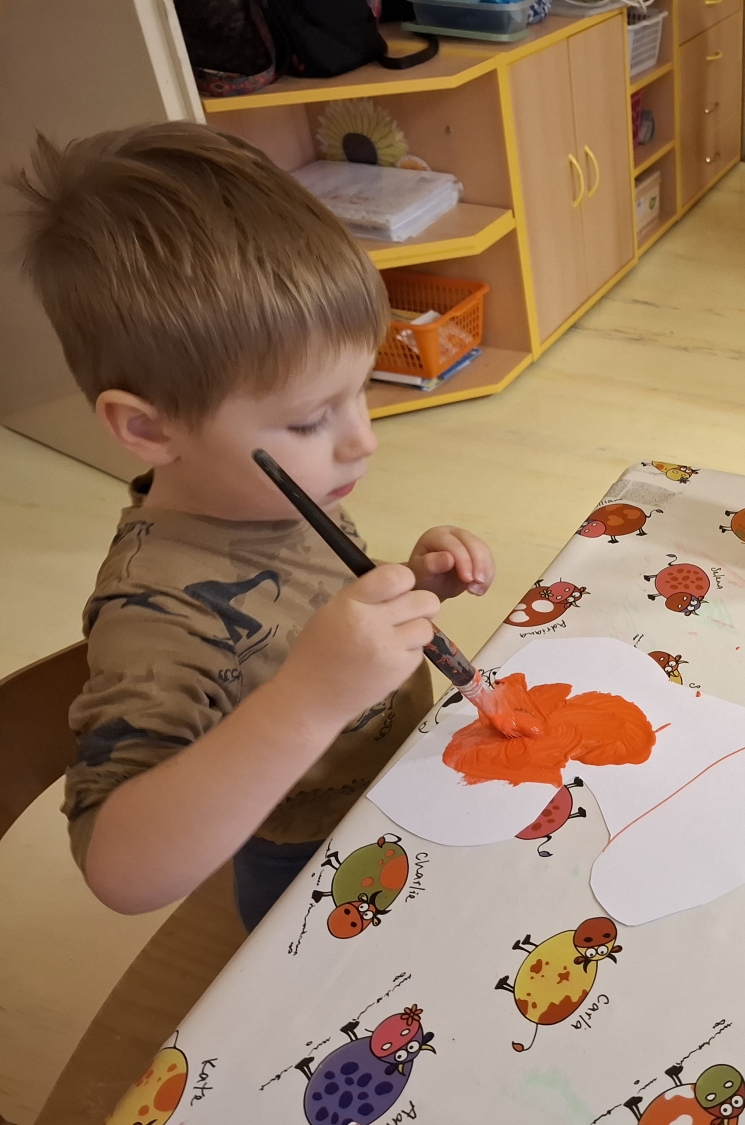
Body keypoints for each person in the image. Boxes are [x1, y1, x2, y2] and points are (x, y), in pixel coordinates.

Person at [15, 123, 495, 930]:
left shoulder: (271, 490)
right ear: (148, 428)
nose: (364, 440)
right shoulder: (157, 614)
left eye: (360, 390)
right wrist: (309, 699)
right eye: (310, 419)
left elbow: (302, 605)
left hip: (403, 786)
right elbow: (119, 871)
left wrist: (412, 583)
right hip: (309, 867)